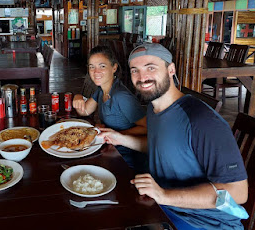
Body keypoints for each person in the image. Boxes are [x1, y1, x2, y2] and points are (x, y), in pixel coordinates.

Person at [99, 43, 248, 229]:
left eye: (151, 68)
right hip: (164, 209)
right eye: (135, 70)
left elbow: (238, 192)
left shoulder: (202, 120)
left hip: (203, 223)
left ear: (171, 69)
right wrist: (119, 138)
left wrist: (164, 195)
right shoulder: (155, 109)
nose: (142, 77)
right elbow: (160, 147)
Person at [72, 45, 148, 172]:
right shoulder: (101, 90)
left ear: (114, 67)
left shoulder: (121, 96)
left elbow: (147, 128)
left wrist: (117, 135)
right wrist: (78, 97)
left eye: (102, 66)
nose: (96, 72)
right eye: (92, 67)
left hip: (125, 160)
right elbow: (85, 111)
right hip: (108, 149)